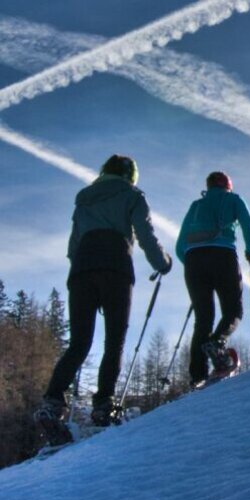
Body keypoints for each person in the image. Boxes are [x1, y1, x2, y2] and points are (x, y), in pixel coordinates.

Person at [36, 154, 172, 431]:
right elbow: (145, 234)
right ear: (130, 175)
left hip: (83, 268)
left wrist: (80, 271)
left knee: (79, 341)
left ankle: (52, 402)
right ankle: (103, 405)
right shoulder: (133, 195)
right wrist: (163, 263)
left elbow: (73, 245)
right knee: (114, 340)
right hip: (115, 266)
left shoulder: (84, 198)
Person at [176, 171, 250, 387]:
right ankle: (218, 340)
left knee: (203, 319)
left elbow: (179, 244)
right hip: (223, 256)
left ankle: (197, 376)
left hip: (193, 260)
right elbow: (248, 224)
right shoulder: (233, 199)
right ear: (228, 185)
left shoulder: (196, 206)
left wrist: (192, 264)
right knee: (233, 310)